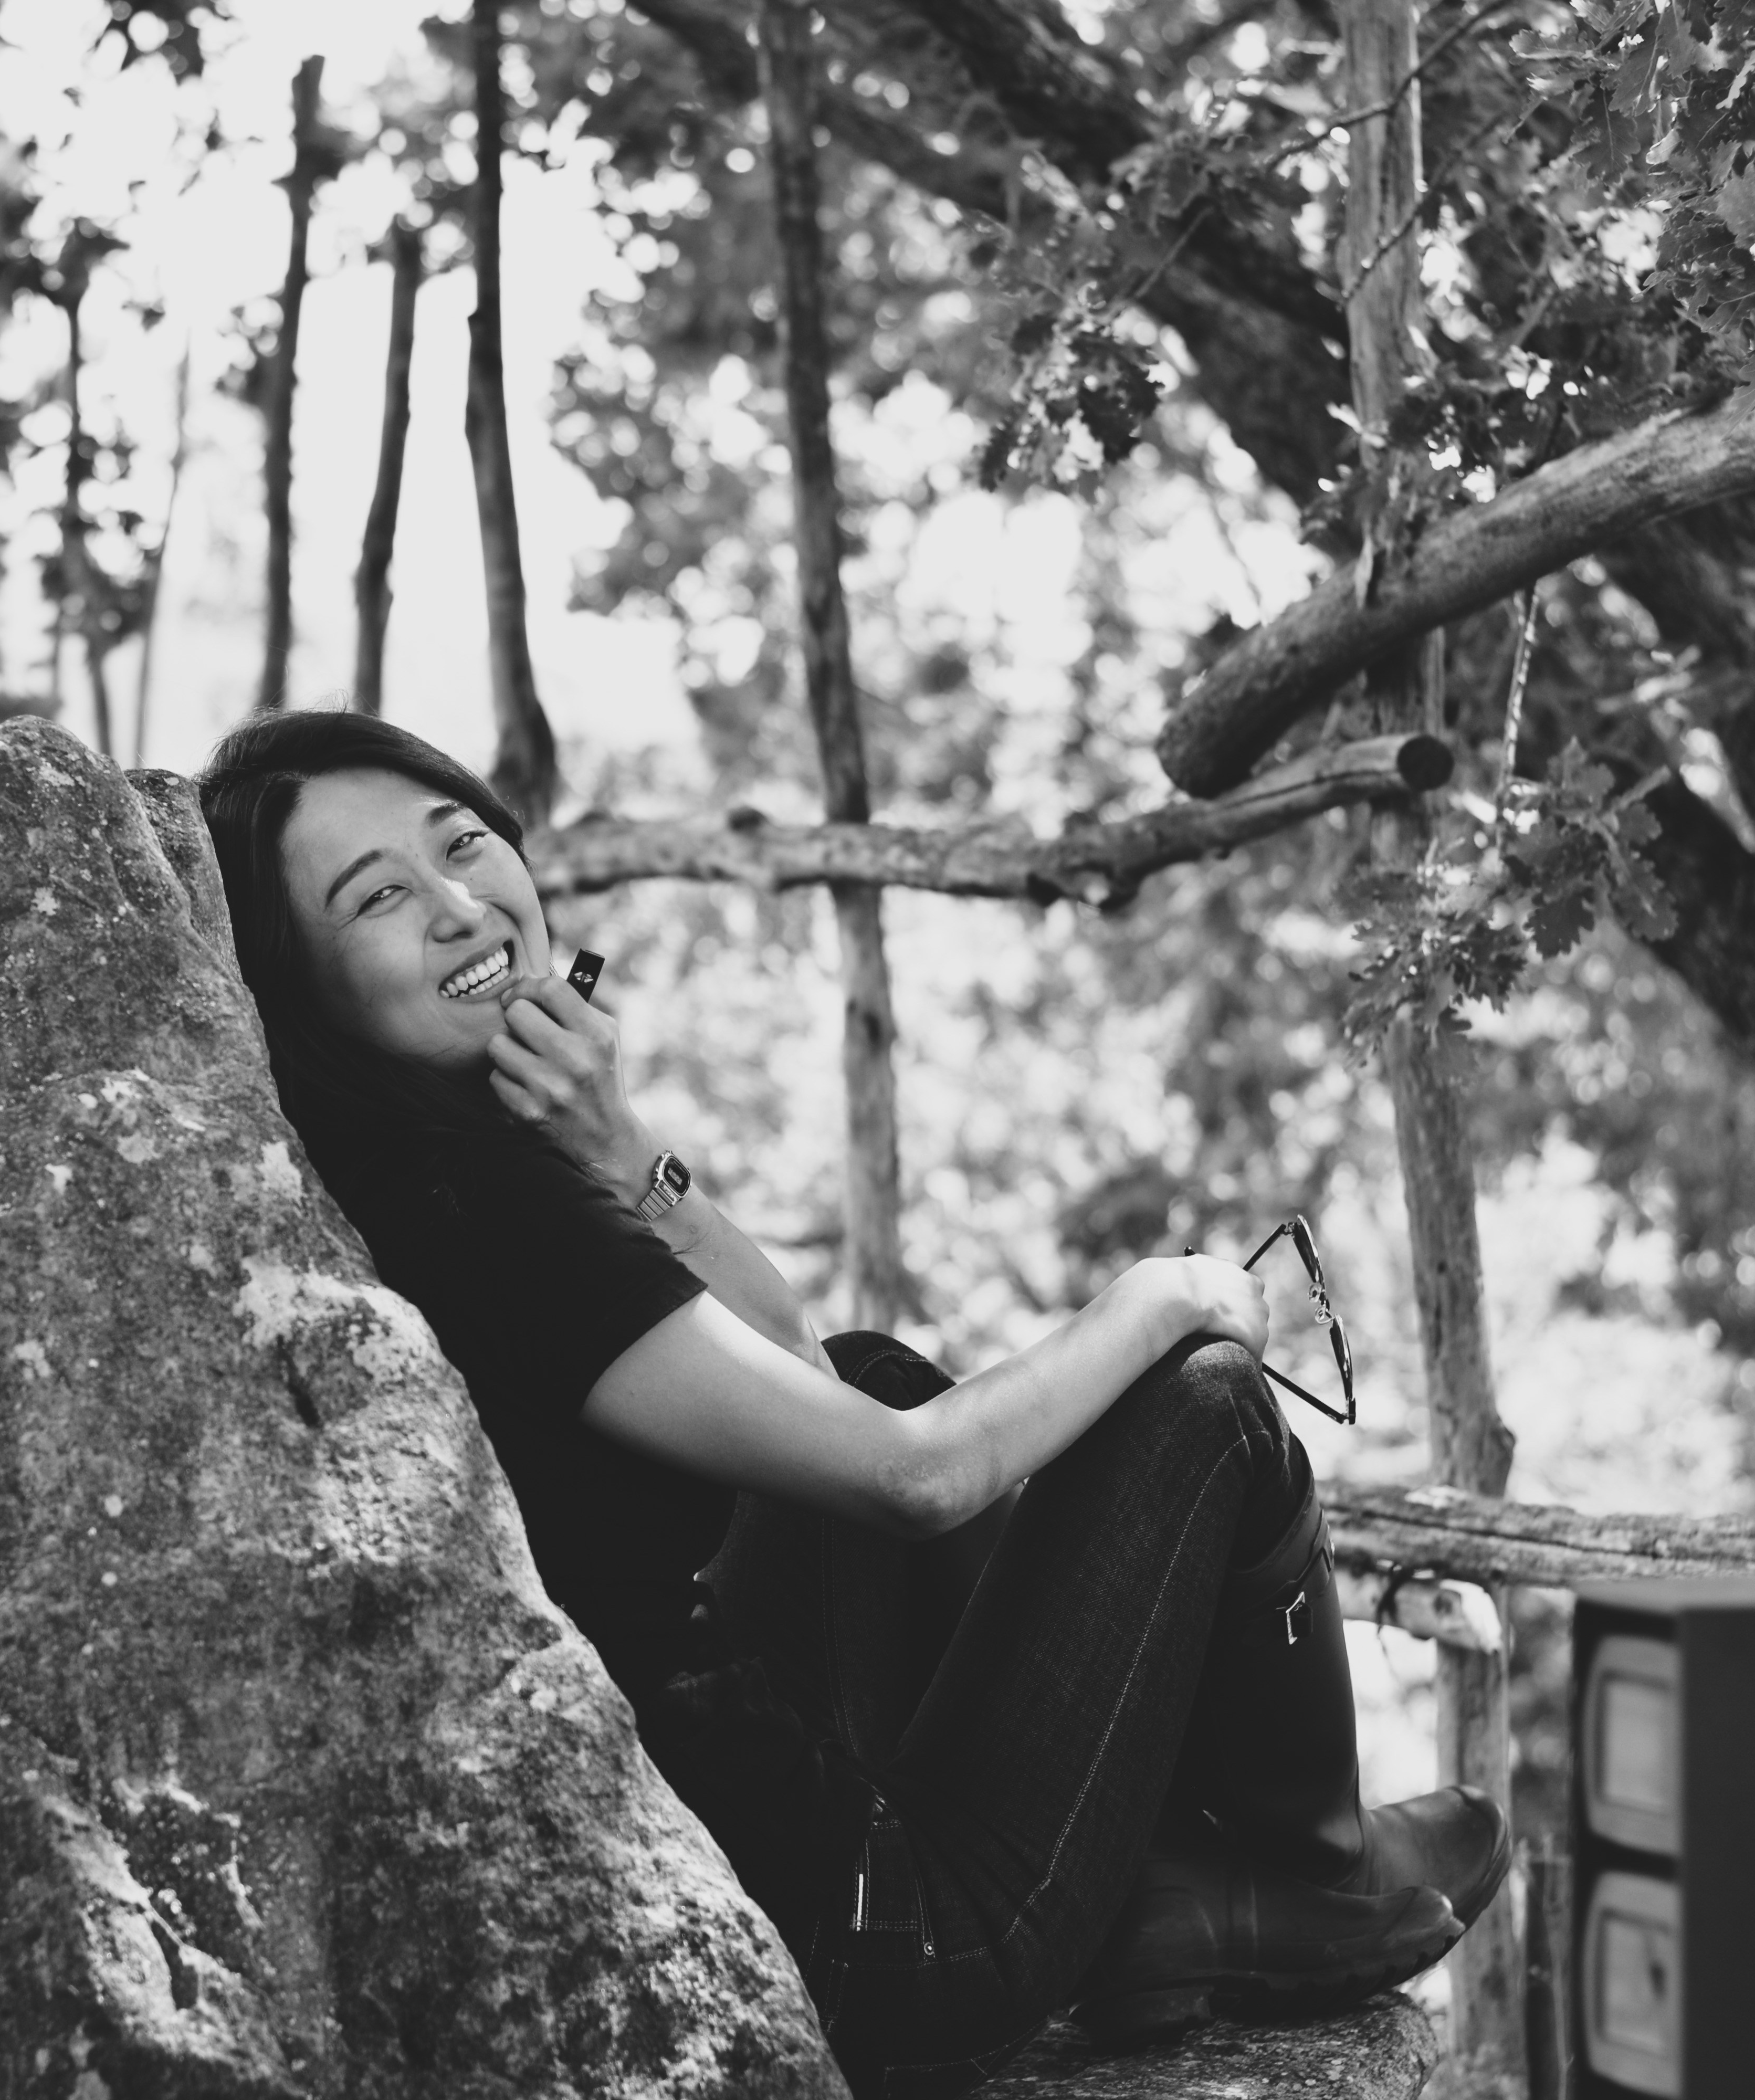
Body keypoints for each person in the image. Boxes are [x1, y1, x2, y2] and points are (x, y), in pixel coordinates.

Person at [196, 711, 1508, 2094]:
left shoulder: (449, 1173)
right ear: (307, 991)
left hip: (759, 1812)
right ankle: (1305, 1882)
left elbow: (805, 1377)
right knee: (1212, 1409)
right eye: (380, 898)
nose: (461, 905)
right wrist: (1163, 1296)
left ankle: (1158, 1882)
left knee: (869, 1363)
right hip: (902, 1937)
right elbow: (913, 1479)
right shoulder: (489, 1219)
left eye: (461, 844)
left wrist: (618, 1148)